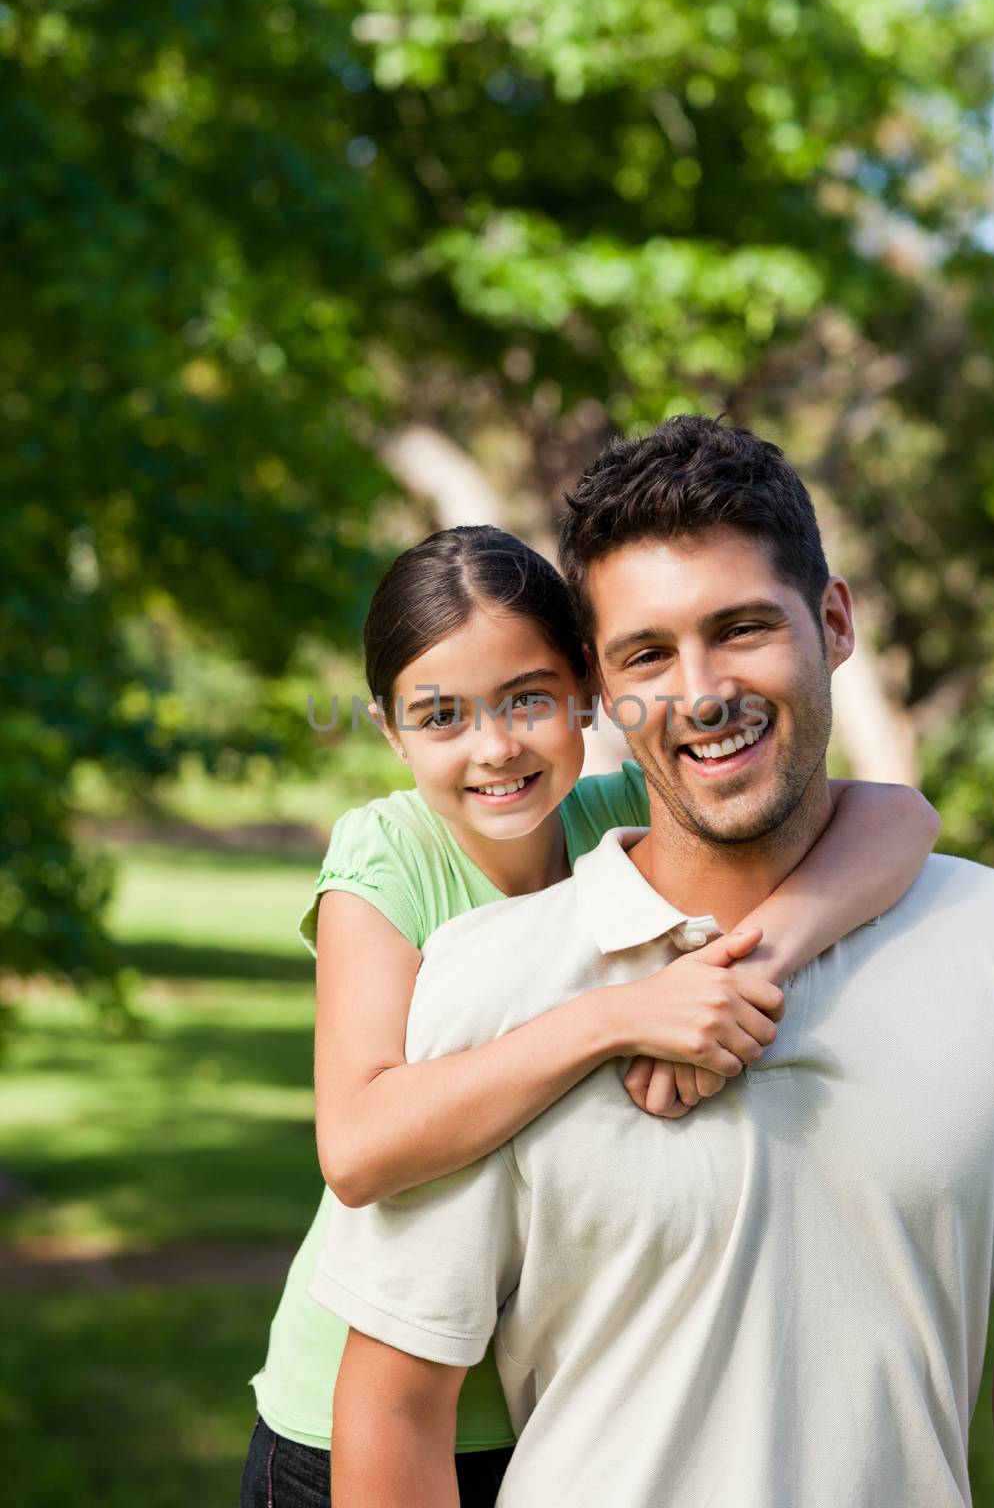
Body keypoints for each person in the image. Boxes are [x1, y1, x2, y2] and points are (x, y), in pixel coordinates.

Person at [314, 415, 994, 1508]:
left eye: (742, 627)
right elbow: (393, 1408)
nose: (700, 692)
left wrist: (752, 963)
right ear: (602, 685)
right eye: (646, 655)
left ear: (834, 620)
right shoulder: (476, 977)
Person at [241, 520, 941, 1508]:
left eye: (526, 700)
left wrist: (760, 959)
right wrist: (615, 1017)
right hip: (353, 1424)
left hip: (543, 1408)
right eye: (439, 716)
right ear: (390, 729)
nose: (493, 748)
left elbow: (897, 816)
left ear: (583, 692)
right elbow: (357, 1146)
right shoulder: (386, 855)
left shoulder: (605, 813)